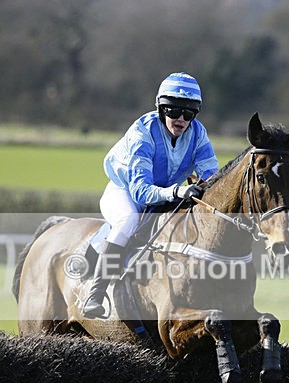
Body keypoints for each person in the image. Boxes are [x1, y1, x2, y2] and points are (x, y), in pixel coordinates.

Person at [82, 72, 220, 318]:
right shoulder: (142, 132)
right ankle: (96, 292)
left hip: (168, 193)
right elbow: (141, 192)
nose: (181, 119)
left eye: (188, 113)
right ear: (160, 108)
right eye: (173, 111)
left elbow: (212, 176)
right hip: (126, 192)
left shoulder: (198, 134)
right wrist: (177, 191)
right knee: (128, 220)